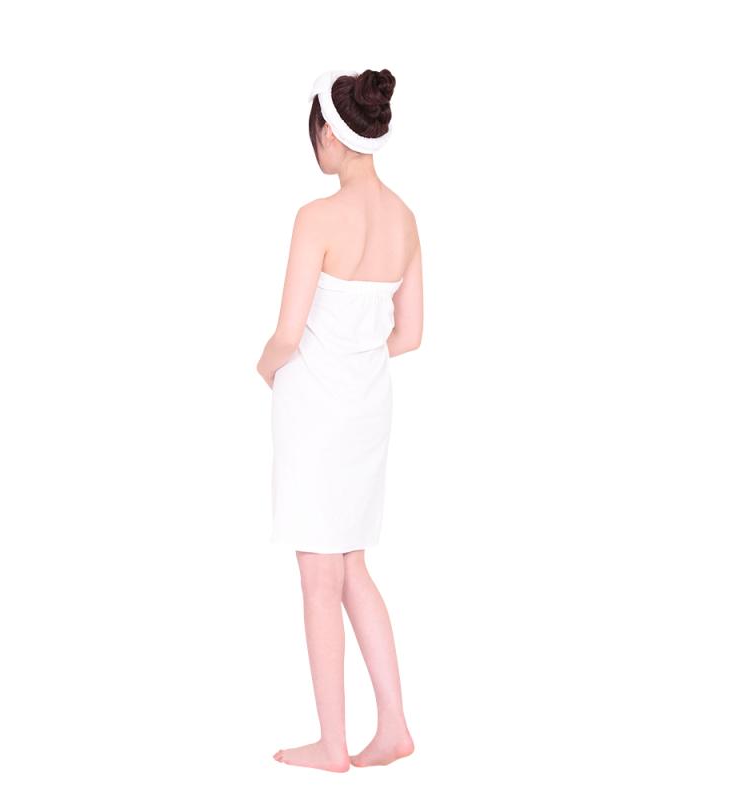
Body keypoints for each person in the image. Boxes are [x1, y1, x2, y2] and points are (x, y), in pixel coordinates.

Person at [256, 68, 423, 772]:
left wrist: (266, 368)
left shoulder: (315, 219)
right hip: (367, 409)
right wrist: (357, 357)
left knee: (319, 576)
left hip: (314, 410)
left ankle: (332, 745)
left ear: (329, 132)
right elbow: (409, 335)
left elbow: (288, 333)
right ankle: (393, 728)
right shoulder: (405, 219)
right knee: (352, 563)